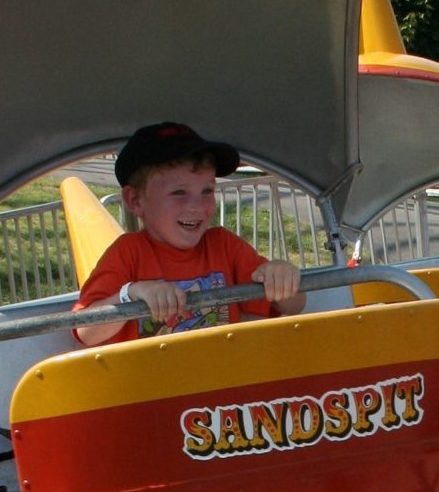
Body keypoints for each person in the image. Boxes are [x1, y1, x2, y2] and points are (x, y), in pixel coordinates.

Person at [73, 121, 305, 346]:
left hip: (226, 376)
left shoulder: (224, 245)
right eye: (179, 192)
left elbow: (294, 306)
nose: (196, 205)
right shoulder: (128, 252)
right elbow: (86, 332)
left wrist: (281, 276)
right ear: (135, 200)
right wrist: (131, 293)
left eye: (207, 190)